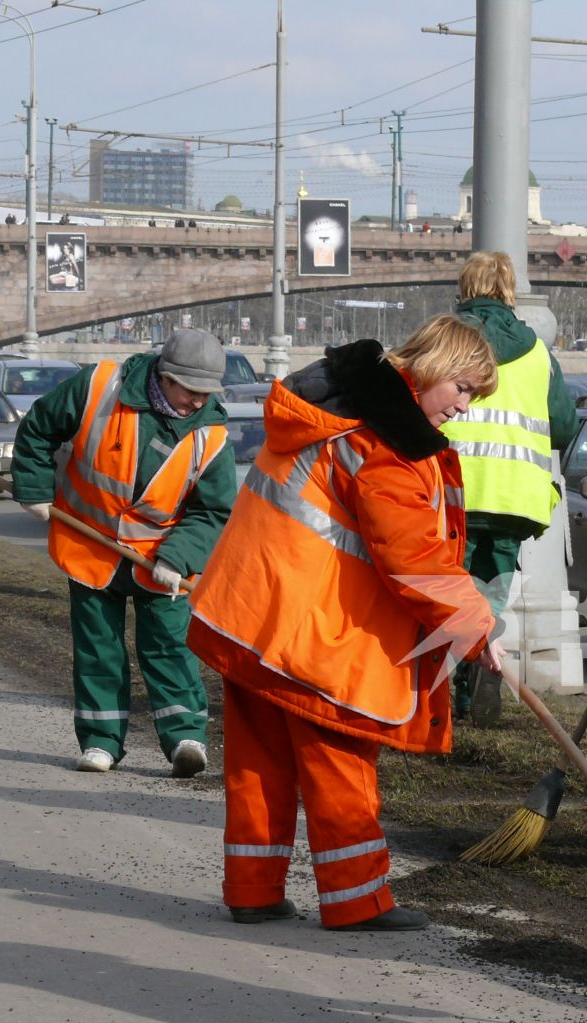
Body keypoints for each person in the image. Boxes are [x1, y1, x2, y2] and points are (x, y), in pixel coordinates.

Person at [187, 317, 502, 931]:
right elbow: (412, 555)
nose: (464, 406)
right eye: (462, 388)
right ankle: (357, 900)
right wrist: (472, 627)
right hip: (313, 634)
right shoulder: (386, 444)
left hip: (251, 616)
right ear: (433, 367)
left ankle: (252, 890)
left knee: (258, 762)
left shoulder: (328, 411)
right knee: (340, 765)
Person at [11, 330, 237, 776]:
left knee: (171, 646)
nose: (197, 402)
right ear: (164, 376)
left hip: (160, 559)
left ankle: (185, 738)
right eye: (190, 391)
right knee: (98, 648)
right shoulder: (98, 386)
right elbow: (38, 428)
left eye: (205, 393)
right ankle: (100, 742)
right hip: (89, 543)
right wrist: (34, 490)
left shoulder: (212, 434)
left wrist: (180, 556)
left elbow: (214, 510)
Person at [445, 250, 579, 724]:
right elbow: (562, 426)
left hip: (451, 492)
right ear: (509, 295)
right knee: (490, 593)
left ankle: (437, 689)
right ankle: (477, 678)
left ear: (465, 289)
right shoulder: (538, 354)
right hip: (514, 498)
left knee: (445, 587)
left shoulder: (446, 342)